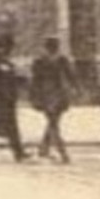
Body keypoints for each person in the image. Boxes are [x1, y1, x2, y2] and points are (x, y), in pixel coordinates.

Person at [29, 36, 77, 164]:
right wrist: (75, 88)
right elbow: (70, 76)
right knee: (53, 122)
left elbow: (34, 80)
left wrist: (33, 95)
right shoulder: (60, 59)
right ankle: (62, 152)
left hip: (47, 93)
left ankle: (44, 148)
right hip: (57, 92)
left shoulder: (40, 60)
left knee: (52, 122)